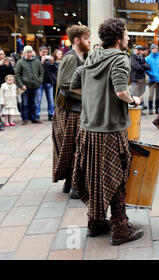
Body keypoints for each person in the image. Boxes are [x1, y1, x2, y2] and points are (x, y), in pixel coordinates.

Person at [70, 18, 144, 245]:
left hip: (88, 128)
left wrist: (95, 99)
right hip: (110, 129)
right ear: (119, 38)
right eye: (127, 34)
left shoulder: (92, 56)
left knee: (94, 176)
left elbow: (74, 84)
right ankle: (120, 228)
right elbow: (121, 91)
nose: (129, 38)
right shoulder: (120, 59)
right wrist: (134, 100)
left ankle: (95, 223)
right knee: (117, 178)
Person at [52, 24, 91, 199]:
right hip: (70, 111)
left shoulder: (80, 56)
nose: (89, 41)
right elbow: (66, 85)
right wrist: (89, 97)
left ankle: (70, 184)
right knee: (77, 149)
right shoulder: (71, 57)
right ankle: (76, 188)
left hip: (73, 110)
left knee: (73, 149)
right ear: (77, 40)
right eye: (86, 38)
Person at [15, 45, 44, 125]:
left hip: (35, 86)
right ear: (24, 53)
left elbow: (41, 72)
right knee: (25, 103)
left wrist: (39, 81)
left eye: (30, 52)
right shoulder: (20, 62)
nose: (29, 54)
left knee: (34, 103)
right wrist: (21, 85)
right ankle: (25, 119)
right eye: (27, 52)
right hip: (25, 87)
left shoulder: (37, 61)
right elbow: (17, 75)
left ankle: (34, 118)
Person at [34, 46, 56, 120]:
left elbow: (54, 70)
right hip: (39, 83)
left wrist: (52, 63)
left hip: (49, 82)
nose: (45, 54)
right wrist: (42, 62)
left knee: (50, 100)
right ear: (39, 52)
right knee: (38, 100)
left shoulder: (49, 59)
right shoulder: (36, 59)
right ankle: (37, 115)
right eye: (43, 52)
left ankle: (51, 115)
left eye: (46, 52)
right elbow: (35, 69)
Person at [145, 44, 159, 115]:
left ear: (157, 49)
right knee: (150, 95)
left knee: (157, 95)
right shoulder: (147, 58)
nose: (154, 49)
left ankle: (157, 109)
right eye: (153, 48)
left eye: (156, 48)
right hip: (152, 79)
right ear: (151, 49)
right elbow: (145, 68)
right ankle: (150, 109)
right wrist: (151, 74)